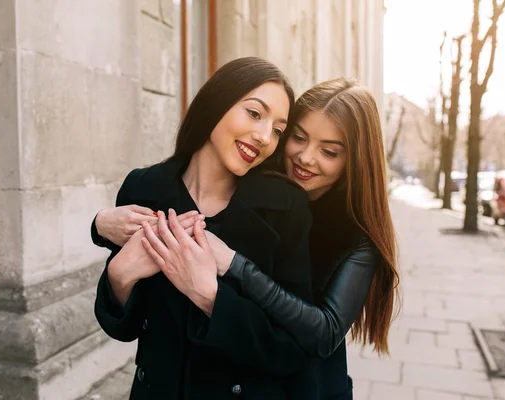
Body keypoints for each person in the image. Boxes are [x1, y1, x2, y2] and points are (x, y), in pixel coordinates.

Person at [94, 77, 401, 400]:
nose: (306, 158)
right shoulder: (252, 190)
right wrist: (100, 225)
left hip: (314, 386)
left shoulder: (354, 236)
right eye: (297, 137)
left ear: (354, 160)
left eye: (328, 151)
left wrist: (231, 265)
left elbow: (323, 332)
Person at [92, 57, 316, 400]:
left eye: (277, 130)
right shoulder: (143, 187)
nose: (264, 136)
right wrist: (121, 275)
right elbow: (125, 327)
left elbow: (294, 345)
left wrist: (210, 297)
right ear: (217, 102)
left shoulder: (286, 208)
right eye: (255, 113)